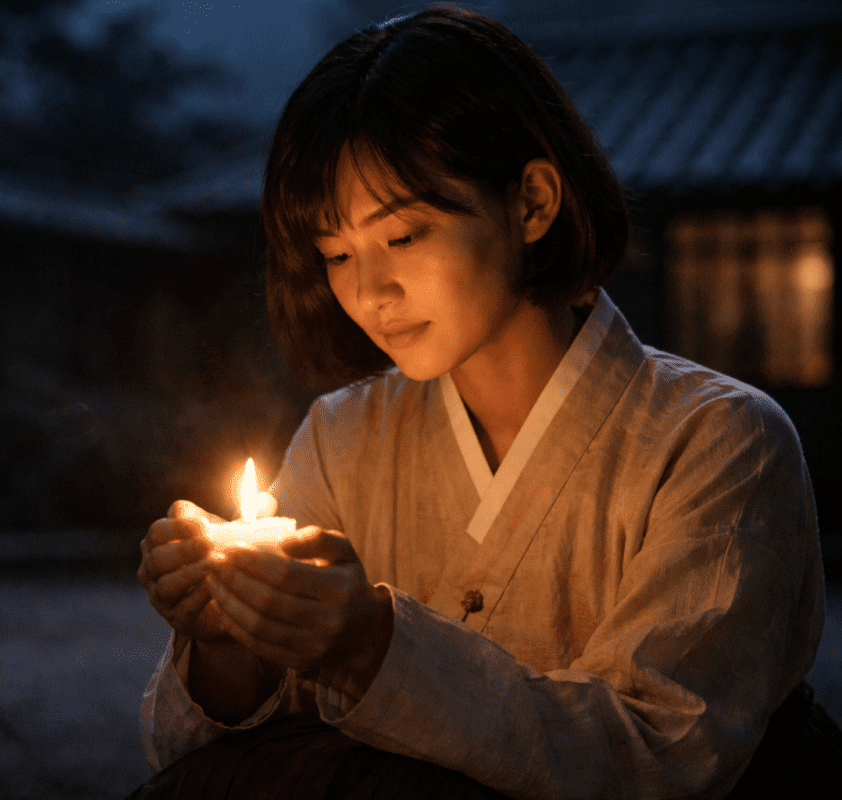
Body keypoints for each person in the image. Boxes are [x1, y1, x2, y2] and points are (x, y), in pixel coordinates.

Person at [133, 6, 831, 799]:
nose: (368, 291)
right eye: (335, 254)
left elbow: (662, 753)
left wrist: (372, 647)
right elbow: (205, 751)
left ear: (532, 202)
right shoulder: (342, 436)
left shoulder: (718, 441)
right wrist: (229, 641)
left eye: (402, 238)